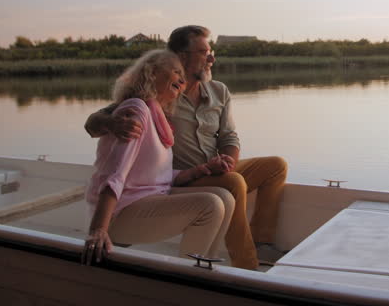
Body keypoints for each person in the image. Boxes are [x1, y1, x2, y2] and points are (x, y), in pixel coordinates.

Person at [84, 26, 288, 270]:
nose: (211, 58)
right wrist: (111, 123)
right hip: (184, 178)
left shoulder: (218, 91)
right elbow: (94, 124)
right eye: (203, 52)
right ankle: (247, 264)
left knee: (275, 166)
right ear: (181, 56)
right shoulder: (159, 93)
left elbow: (230, 137)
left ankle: (262, 243)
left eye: (211, 51)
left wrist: (227, 162)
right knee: (233, 184)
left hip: (211, 169)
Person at [83, 49, 234, 265]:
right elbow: (114, 175)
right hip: (119, 215)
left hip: (148, 200)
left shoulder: (157, 117)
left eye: (183, 75)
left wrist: (202, 169)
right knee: (210, 205)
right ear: (152, 73)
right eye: (175, 71)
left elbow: (158, 176)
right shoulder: (136, 110)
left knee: (225, 197)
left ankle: (203, 265)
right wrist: (97, 230)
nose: (182, 79)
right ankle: (187, 276)